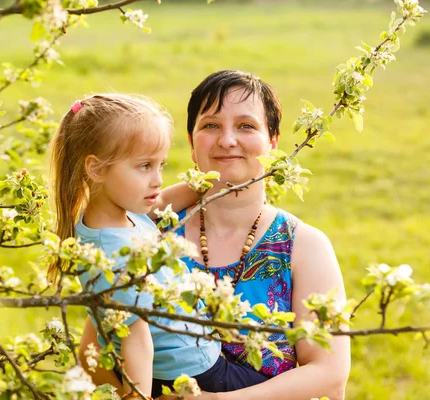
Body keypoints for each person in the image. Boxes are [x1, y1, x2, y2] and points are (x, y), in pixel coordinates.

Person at [79, 71, 351, 400]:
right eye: (210, 126)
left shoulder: (303, 246)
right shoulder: (150, 232)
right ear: (192, 145)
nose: (227, 140)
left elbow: (330, 376)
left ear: (273, 143)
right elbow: (95, 351)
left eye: (246, 126)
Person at [50, 93, 269, 399]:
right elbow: (135, 339)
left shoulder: (114, 215)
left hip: (185, 361)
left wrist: (216, 179)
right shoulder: (113, 255)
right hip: (195, 373)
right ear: (97, 169)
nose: (157, 180)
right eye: (144, 166)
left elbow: (166, 200)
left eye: (160, 165)